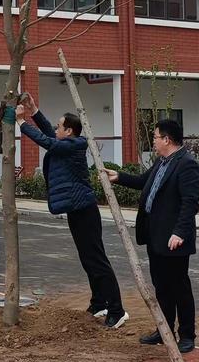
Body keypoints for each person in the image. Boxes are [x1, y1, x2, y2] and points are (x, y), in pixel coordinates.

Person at [16, 94, 128, 329]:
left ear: (68, 131)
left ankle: (117, 310)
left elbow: (48, 141)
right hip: (76, 209)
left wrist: (21, 123)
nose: (56, 129)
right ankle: (99, 303)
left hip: (85, 210)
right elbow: (50, 134)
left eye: (59, 126)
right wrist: (34, 110)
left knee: (97, 260)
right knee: (87, 259)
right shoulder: (66, 142)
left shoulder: (74, 145)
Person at [105, 119, 199, 353]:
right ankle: (165, 330)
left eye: (156, 137)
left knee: (179, 287)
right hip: (155, 236)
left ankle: (187, 335)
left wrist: (179, 232)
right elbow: (143, 182)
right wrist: (118, 176)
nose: (154, 141)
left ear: (167, 139)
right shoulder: (162, 162)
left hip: (174, 239)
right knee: (161, 287)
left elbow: (190, 204)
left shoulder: (187, 165)